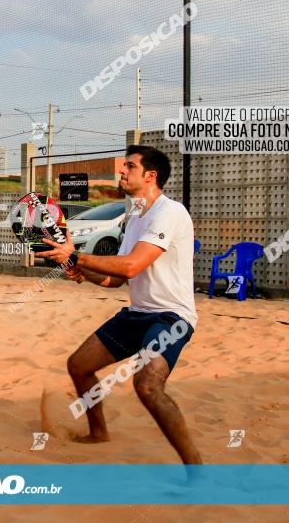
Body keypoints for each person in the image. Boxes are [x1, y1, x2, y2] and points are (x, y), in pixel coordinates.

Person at [36, 144, 202, 466]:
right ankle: (99, 434)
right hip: (137, 314)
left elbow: (130, 266)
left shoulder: (170, 211)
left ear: (150, 176)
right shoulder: (135, 217)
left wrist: (74, 255)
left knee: (148, 386)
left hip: (171, 318)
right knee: (78, 366)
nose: (121, 171)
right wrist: (83, 271)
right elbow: (116, 280)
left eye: (129, 166)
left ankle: (194, 467)